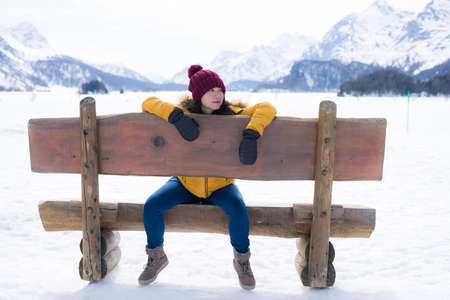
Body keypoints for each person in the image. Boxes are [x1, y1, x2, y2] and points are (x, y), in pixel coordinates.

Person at [138, 65, 276, 290]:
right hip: (185, 182)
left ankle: (242, 261)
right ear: (197, 95)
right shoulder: (185, 113)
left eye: (219, 90)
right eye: (210, 90)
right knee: (151, 206)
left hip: (220, 185)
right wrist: (175, 117)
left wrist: (252, 133)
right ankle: (156, 256)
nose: (217, 95)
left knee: (238, 209)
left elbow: (267, 108)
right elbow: (148, 102)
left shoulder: (232, 115)